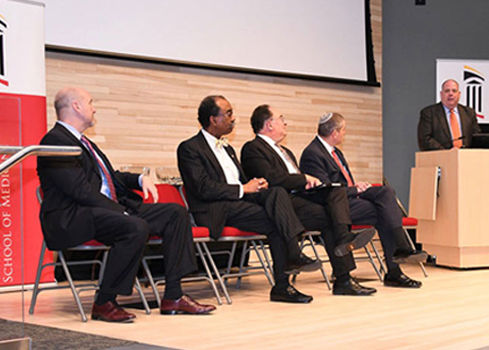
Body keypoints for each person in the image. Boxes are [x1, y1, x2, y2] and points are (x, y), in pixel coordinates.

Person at [37, 87, 215, 322]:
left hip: (104, 211)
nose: (95, 108)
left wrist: (140, 179)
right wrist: (120, 211)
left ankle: (174, 295)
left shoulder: (84, 142)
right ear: (76, 107)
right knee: (134, 226)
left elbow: (109, 177)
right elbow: (80, 191)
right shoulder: (55, 141)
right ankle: (104, 302)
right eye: (90, 102)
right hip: (73, 217)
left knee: (175, 213)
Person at [177, 95, 339, 303]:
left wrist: (256, 184)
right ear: (213, 119)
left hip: (239, 202)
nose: (233, 118)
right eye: (228, 114)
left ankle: (288, 268)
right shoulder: (189, 148)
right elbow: (203, 188)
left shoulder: (227, 148)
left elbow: (239, 180)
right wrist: (244, 188)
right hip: (214, 208)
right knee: (276, 218)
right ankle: (287, 270)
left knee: (276, 194)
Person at [241, 104, 378, 296]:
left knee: (334, 197)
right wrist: (304, 179)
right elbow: (270, 178)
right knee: (331, 211)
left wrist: (308, 184)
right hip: (279, 204)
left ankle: (344, 277)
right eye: (281, 118)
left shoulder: (285, 151)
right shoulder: (253, 148)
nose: (285, 122)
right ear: (269, 124)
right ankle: (337, 252)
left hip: (298, 200)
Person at [300, 112, 426, 288]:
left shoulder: (336, 152)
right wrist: (354, 189)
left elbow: (342, 183)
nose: (344, 134)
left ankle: (399, 254)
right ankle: (396, 264)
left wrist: (355, 187)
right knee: (384, 210)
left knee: (386, 192)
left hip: (349, 198)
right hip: (335, 207)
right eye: (343, 130)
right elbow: (324, 191)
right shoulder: (312, 153)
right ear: (334, 133)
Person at [418, 79, 481, 151]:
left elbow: (477, 137)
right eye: (447, 91)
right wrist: (447, 152)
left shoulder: (469, 113)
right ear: (441, 94)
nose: (451, 94)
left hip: (466, 159)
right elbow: (425, 139)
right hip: (440, 159)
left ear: (459, 94)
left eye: (454, 91)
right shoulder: (429, 113)